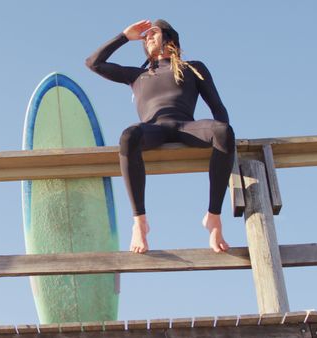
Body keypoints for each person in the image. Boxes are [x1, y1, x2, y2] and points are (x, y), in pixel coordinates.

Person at [85, 19, 235, 254]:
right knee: (128, 135)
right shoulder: (138, 75)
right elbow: (93, 63)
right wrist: (124, 36)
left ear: (169, 38)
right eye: (145, 37)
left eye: (153, 33)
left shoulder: (193, 68)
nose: (147, 38)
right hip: (153, 129)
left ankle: (213, 218)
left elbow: (218, 109)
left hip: (187, 127)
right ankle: (140, 222)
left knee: (223, 131)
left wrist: (228, 149)